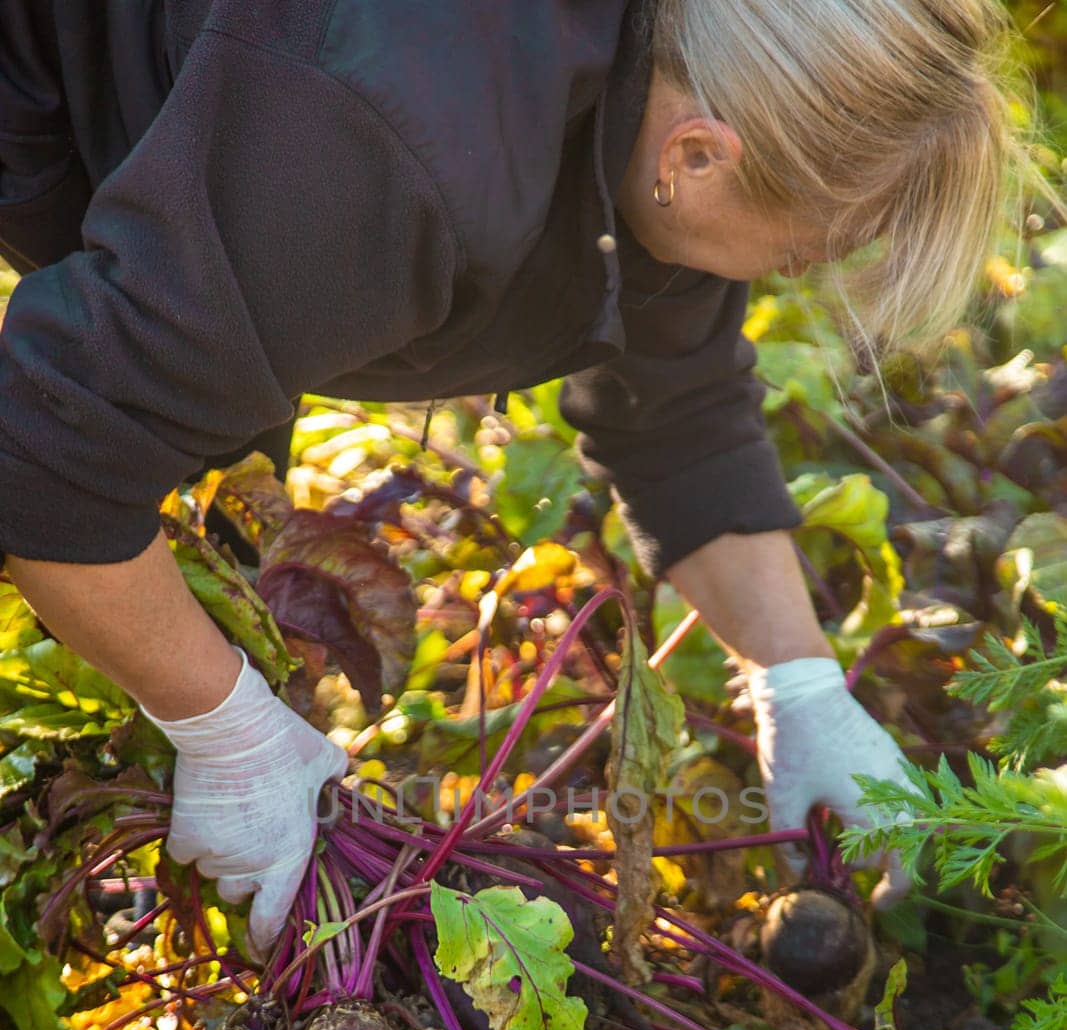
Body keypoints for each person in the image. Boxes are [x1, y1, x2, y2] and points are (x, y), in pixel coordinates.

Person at [0, 0, 1027, 954]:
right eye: (810, 250)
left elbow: (675, 411)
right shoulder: (400, 153)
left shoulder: (663, 95)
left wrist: (797, 682)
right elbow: (42, 457)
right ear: (697, 153)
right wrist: (220, 726)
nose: (799, 269)